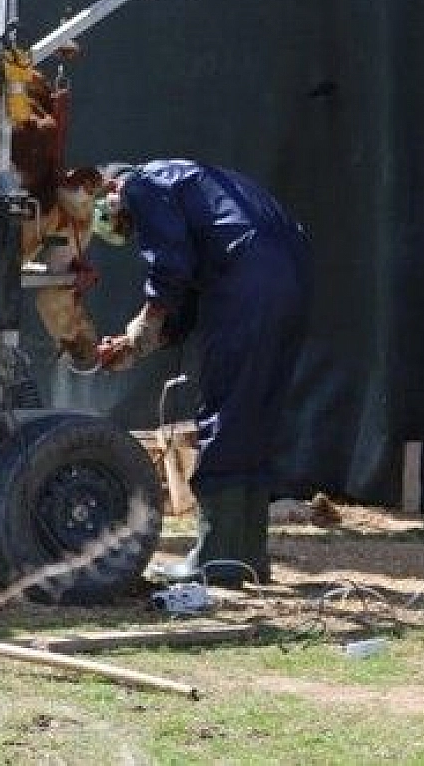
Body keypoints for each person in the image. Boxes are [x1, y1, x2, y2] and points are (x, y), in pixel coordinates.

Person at [90, 160, 311, 587]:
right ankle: (248, 554)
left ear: (111, 187)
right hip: (291, 276)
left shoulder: (143, 184)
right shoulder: (197, 186)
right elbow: (186, 289)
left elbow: (170, 268)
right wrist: (147, 340)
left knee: (226, 406)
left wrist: (140, 332)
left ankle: (217, 557)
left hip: (248, 282)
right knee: (254, 409)